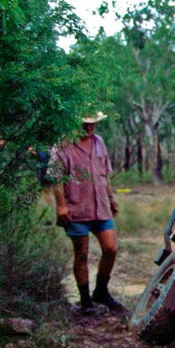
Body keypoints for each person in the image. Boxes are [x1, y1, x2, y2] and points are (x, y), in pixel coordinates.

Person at [50, 112, 124, 313]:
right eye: (86, 124)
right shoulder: (62, 145)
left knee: (111, 249)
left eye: (94, 124)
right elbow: (56, 179)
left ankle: (101, 291)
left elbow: (104, 174)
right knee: (81, 254)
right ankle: (85, 301)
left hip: (100, 205)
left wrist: (110, 198)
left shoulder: (99, 142)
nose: (90, 128)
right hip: (76, 207)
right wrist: (61, 205)